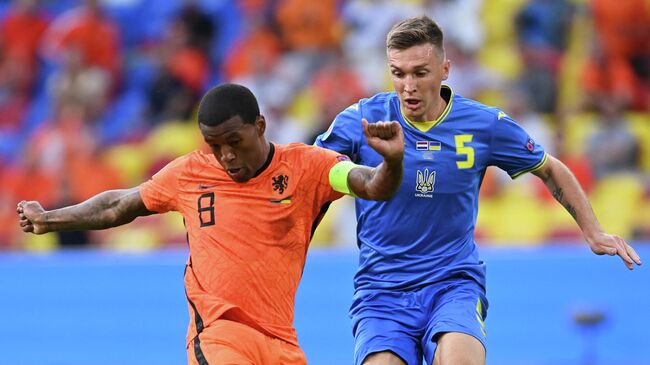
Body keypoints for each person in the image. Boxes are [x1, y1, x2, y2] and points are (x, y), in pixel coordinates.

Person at [315, 16, 642, 365]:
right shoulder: (361, 121)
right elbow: (311, 174)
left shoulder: (483, 124)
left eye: (420, 73)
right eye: (398, 73)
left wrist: (593, 233)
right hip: (382, 291)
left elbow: (550, 168)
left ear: (445, 69)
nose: (408, 85)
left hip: (452, 284)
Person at [17, 83, 405, 365]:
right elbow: (120, 204)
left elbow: (371, 185)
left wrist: (391, 162)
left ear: (260, 125)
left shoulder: (309, 167)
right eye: (214, 145)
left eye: (234, 141)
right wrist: (49, 219)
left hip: (282, 342)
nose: (226, 155)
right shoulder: (190, 173)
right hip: (221, 336)